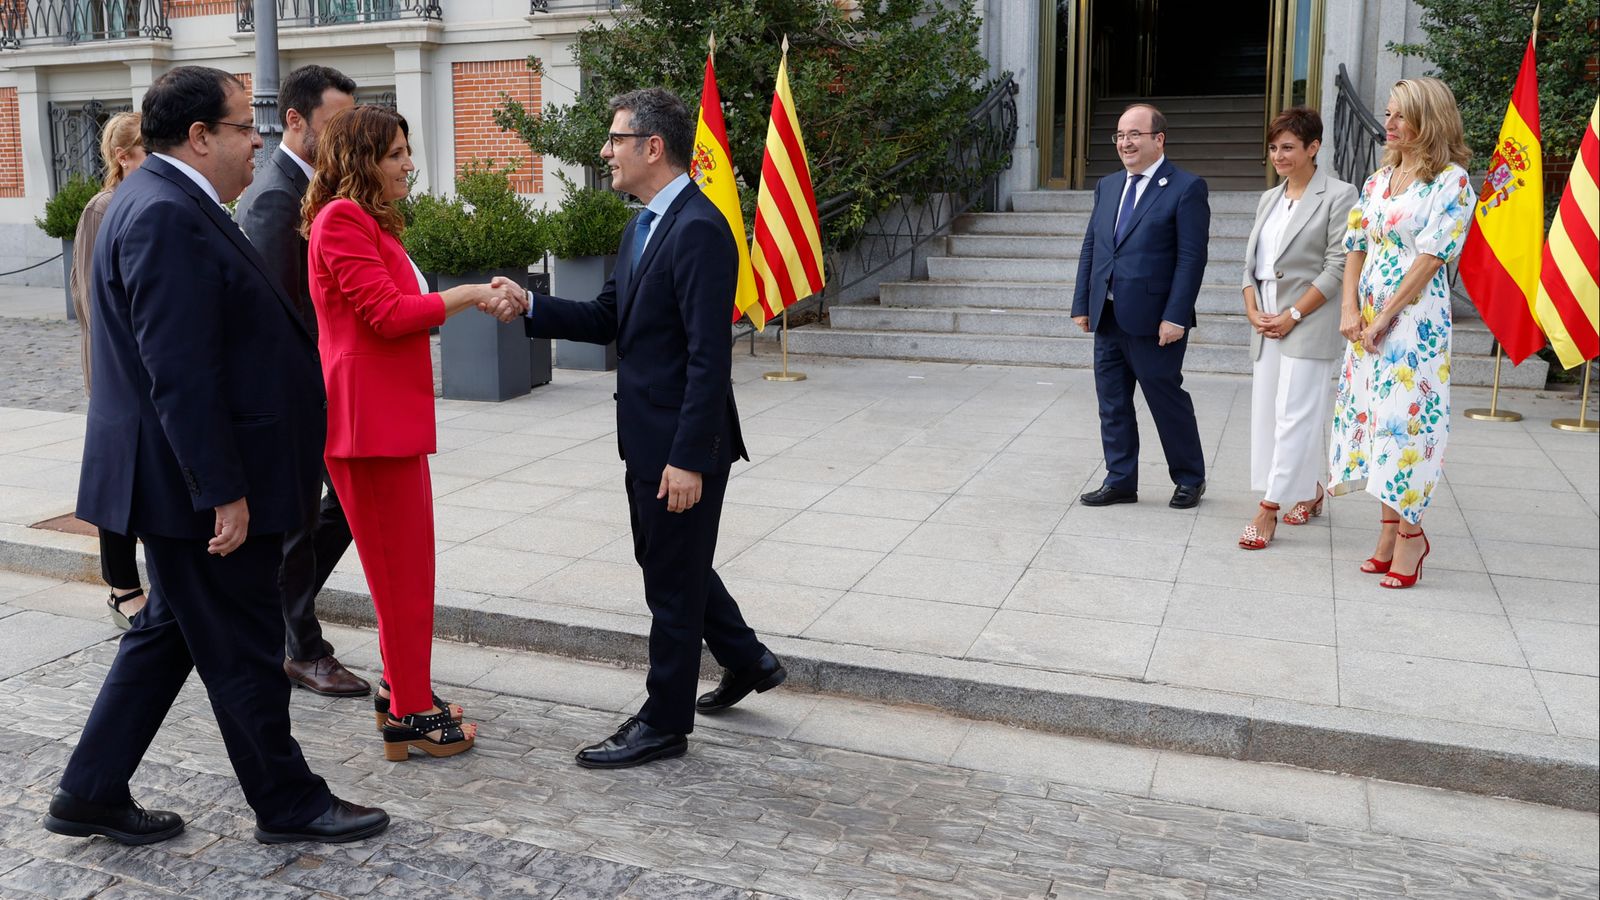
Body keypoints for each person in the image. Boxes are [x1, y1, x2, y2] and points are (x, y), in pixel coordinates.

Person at [46, 66, 387, 846]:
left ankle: (88, 790)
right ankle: (289, 802)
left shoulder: (170, 201)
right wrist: (222, 489)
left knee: (168, 634)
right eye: (244, 126)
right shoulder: (165, 212)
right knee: (243, 652)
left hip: (176, 481)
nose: (259, 138)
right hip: (194, 490)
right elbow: (181, 369)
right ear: (199, 138)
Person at [508, 88, 786, 769]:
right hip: (645, 436)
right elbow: (609, 319)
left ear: (652, 148)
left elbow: (707, 356)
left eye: (615, 140)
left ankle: (664, 722)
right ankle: (748, 660)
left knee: (668, 580)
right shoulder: (640, 226)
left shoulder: (698, 227)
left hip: (681, 446)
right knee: (671, 564)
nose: (605, 152)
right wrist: (530, 305)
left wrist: (690, 458)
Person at [303, 105, 524, 760]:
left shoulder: (366, 222)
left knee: (408, 571)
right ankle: (409, 713)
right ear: (361, 159)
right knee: (401, 573)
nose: (408, 164)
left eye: (406, 150)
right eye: (396, 152)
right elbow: (387, 315)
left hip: (386, 420)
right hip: (366, 425)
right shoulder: (341, 220)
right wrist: (469, 294)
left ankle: (406, 690)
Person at [235, 64, 368, 698]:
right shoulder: (274, 197)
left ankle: (278, 618)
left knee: (337, 512)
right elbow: (276, 315)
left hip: (328, 387)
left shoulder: (322, 189)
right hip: (295, 394)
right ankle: (300, 643)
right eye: (335, 122)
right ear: (295, 120)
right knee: (300, 521)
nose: (345, 132)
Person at [1331, 77, 1473, 589]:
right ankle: (1387, 533)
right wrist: (1351, 308)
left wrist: (1385, 315)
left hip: (1414, 323)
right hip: (1366, 318)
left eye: (1398, 116)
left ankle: (1412, 536)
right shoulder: (1376, 180)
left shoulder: (1452, 182)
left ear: (1427, 120)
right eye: (1386, 114)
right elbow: (1354, 246)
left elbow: (1432, 258)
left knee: (1407, 424)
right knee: (1373, 421)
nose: (1387, 125)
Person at [1072, 103, 1211, 510]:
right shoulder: (1108, 186)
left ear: (1158, 139)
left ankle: (1189, 478)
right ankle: (1120, 480)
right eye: (1119, 135)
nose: (1125, 142)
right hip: (1109, 315)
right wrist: (1083, 302)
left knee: (1165, 400)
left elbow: (1191, 258)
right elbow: (1093, 247)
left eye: (1135, 134)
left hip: (1155, 321)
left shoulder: (1186, 187)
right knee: (1112, 403)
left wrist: (1175, 315)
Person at [1238, 107, 1358, 550]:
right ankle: (1308, 490)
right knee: (1271, 414)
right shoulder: (1268, 198)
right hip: (1265, 316)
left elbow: (1339, 264)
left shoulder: (1340, 195)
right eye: (1274, 147)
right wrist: (1253, 309)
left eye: (1288, 147)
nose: (1278, 155)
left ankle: (1268, 509)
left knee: (1296, 413)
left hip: (1308, 317)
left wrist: (1294, 314)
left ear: (1313, 148)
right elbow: (1251, 266)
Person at [70, 111, 149, 630]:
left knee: (143, 475)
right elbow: (90, 294)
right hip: (117, 362)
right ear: (124, 158)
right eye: (148, 150)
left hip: (142, 362)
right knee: (119, 475)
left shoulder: (145, 200)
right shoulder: (104, 207)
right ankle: (121, 586)